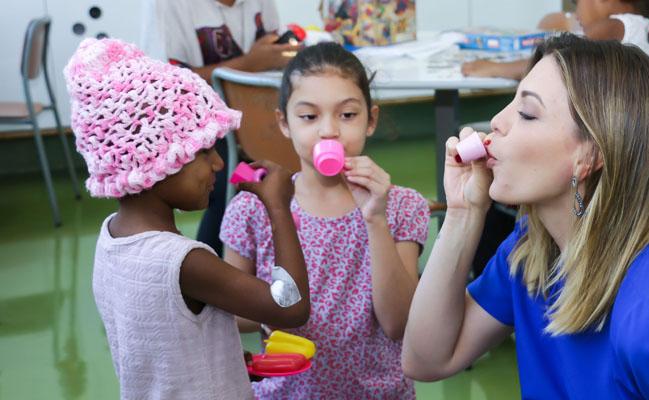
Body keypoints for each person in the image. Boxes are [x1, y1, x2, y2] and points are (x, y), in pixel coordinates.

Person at [402, 34, 649, 398]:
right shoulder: (532, 249)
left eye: (527, 113)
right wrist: (463, 214)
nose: (497, 121)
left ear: (590, 155)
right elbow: (428, 360)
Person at [63, 38, 310, 399]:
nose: (219, 163)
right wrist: (278, 207)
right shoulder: (185, 262)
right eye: (203, 150)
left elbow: (159, 347)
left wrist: (222, 358)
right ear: (156, 159)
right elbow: (290, 306)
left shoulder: (110, 241)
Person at [220, 42, 430, 399]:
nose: (329, 131)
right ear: (284, 123)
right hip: (285, 392)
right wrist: (271, 312)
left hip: (378, 393)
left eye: (347, 115)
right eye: (309, 116)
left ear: (371, 120)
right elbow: (232, 317)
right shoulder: (253, 209)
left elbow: (397, 323)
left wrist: (375, 218)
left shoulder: (401, 206)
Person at [141, 0, 300, 256]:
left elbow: (272, 53)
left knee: (299, 166)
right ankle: (215, 279)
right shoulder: (167, 6)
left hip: (257, 118)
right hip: (193, 122)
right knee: (224, 180)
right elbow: (162, 84)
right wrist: (249, 63)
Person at [462, 0, 649, 80]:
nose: (576, 11)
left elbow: (550, 62)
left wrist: (494, 68)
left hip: (612, 135)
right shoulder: (648, 28)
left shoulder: (612, 27)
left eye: (576, 2)